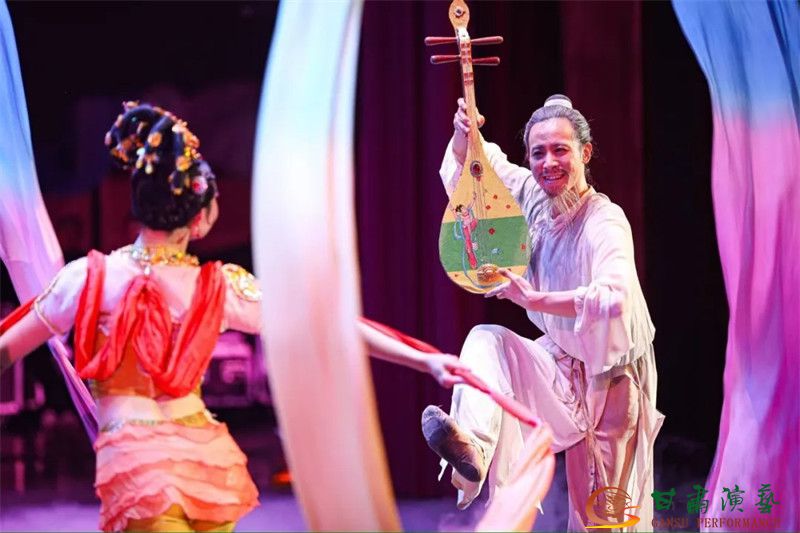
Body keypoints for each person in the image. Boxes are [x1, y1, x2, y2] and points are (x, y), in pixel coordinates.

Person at [0, 102, 467, 532]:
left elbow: (7, 348)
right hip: (206, 463)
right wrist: (424, 359)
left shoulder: (88, 278)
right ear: (200, 218)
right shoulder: (219, 286)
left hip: (139, 465)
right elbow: (329, 326)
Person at [421, 95, 663, 531]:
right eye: (538, 153)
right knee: (486, 341)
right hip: (561, 362)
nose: (548, 163)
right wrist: (463, 131)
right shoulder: (530, 195)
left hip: (613, 378)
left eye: (560, 150)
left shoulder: (604, 221)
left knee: (599, 518)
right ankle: (473, 445)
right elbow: (475, 168)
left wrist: (535, 300)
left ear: (585, 153)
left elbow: (615, 297)